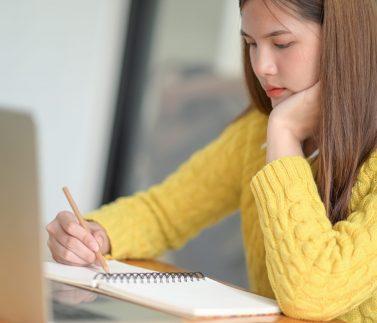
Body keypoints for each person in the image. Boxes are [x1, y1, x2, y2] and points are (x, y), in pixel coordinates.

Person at [46, 0, 377, 321]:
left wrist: (285, 133)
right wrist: (96, 234)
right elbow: (164, 212)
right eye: (251, 44)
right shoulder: (255, 134)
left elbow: (313, 293)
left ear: (344, 42)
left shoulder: (277, 130)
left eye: (281, 43)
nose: (261, 66)